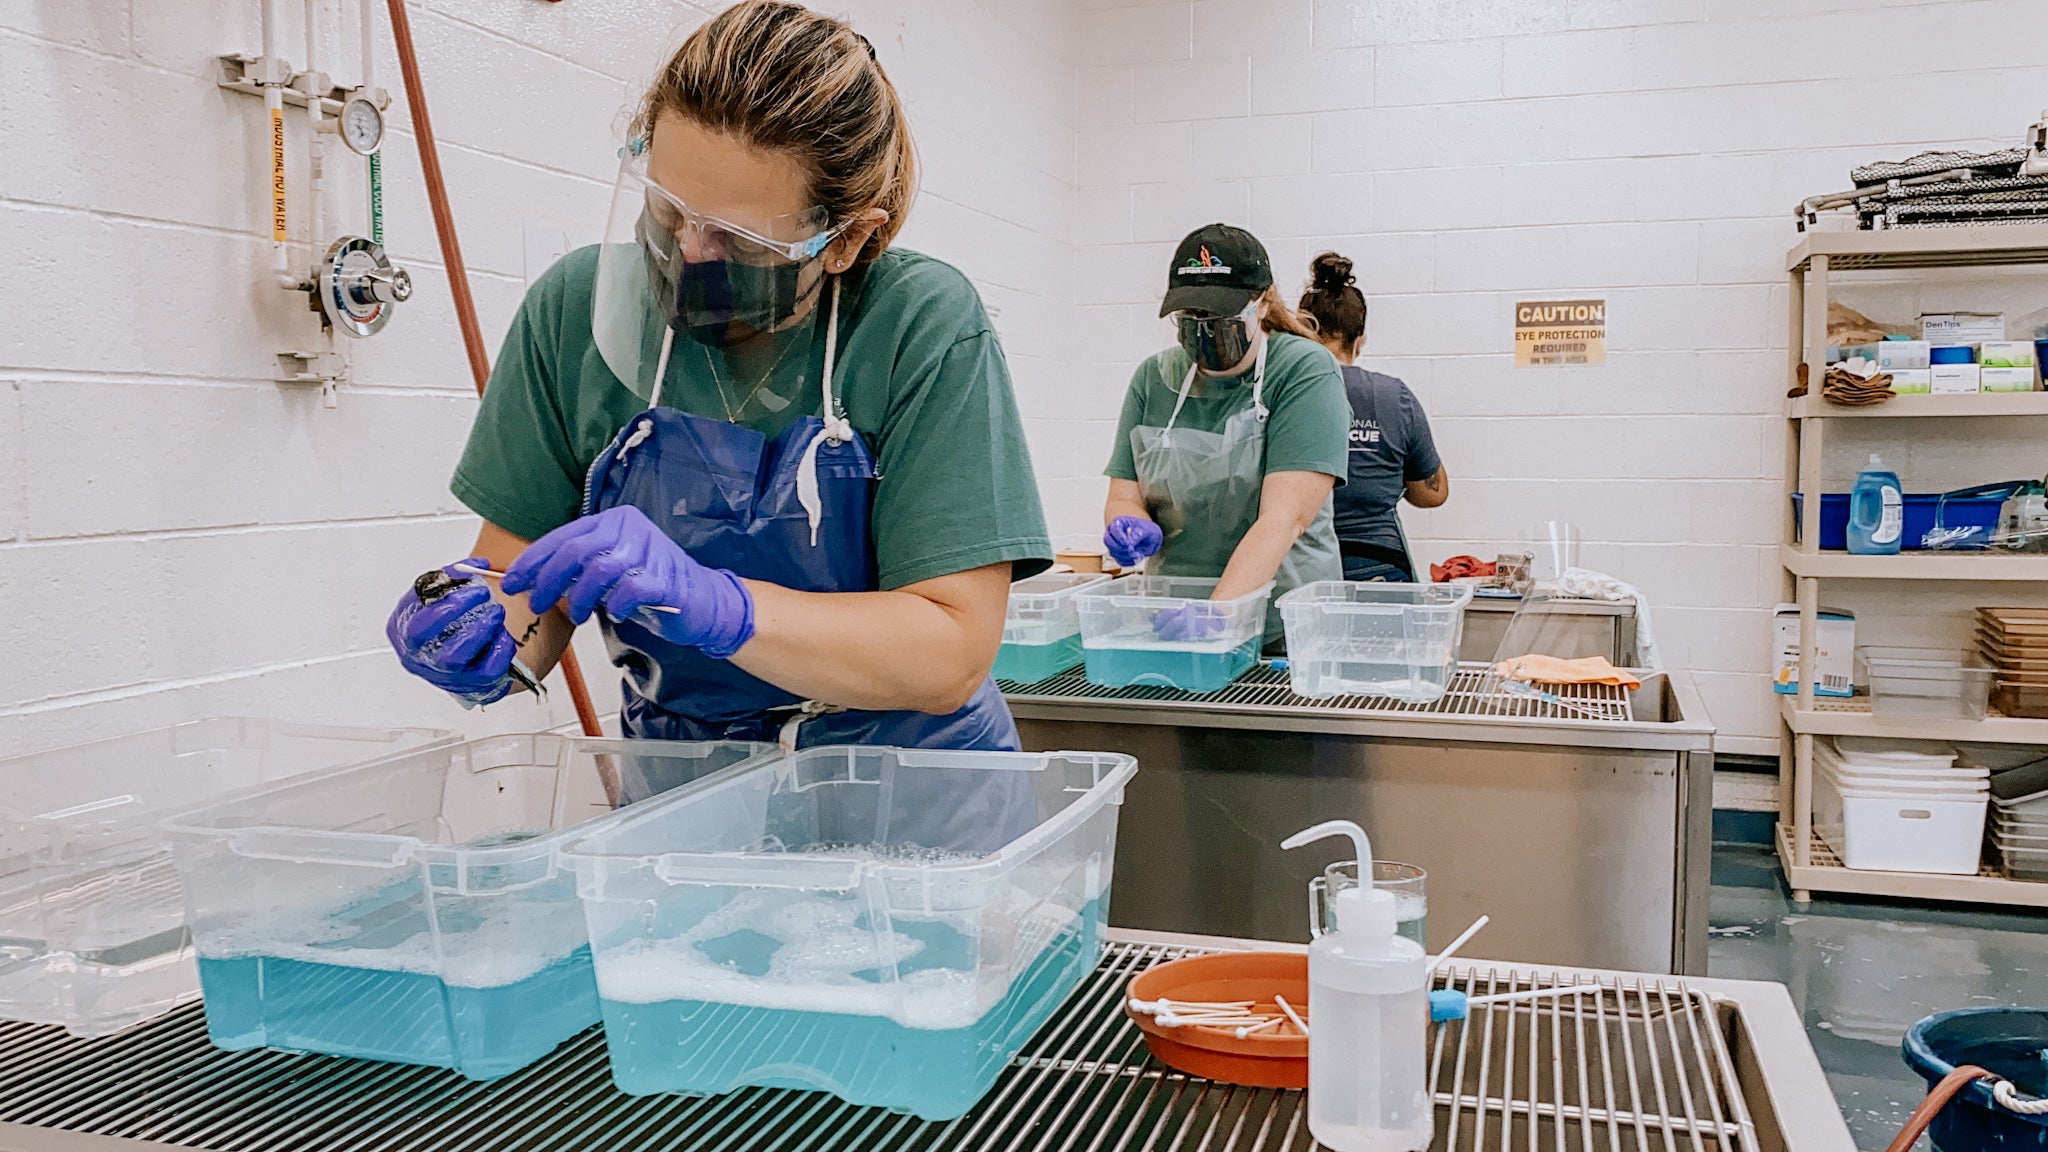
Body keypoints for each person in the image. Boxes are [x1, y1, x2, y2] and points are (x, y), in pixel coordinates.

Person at [383, 1, 1051, 757]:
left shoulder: (916, 322)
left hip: (905, 791)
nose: (691, 253)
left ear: (847, 239)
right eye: (669, 211)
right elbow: (523, 592)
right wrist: (480, 639)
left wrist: (719, 606)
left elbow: (950, 653)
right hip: (685, 790)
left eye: (740, 239)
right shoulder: (572, 313)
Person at [1100, 224, 1350, 645]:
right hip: (1173, 618)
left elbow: (1284, 518)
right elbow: (1126, 494)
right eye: (1191, 317)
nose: (1204, 329)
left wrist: (1218, 612)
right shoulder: (1153, 379)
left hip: (1281, 632)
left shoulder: (1304, 371)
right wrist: (1128, 523)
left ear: (1263, 301)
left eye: (1221, 317)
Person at [1297, 252, 1448, 582]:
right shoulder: (1394, 396)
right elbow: (1432, 493)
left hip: (1302, 571)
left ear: (1302, 331)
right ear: (1360, 340)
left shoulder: (1281, 392)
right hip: (1378, 568)